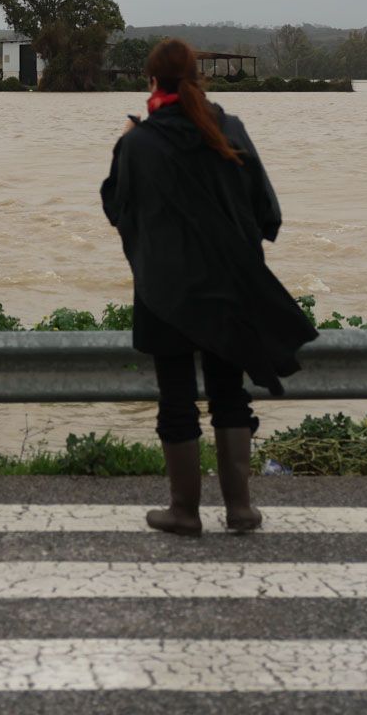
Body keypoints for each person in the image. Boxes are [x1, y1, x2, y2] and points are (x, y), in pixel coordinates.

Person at [100, 37, 317, 536]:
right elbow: (268, 213)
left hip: (165, 292)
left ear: (151, 82)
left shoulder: (139, 143)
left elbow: (117, 208)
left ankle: (184, 511)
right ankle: (240, 509)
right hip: (228, 284)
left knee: (175, 398)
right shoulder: (230, 128)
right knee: (229, 393)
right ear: (198, 78)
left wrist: (125, 140)